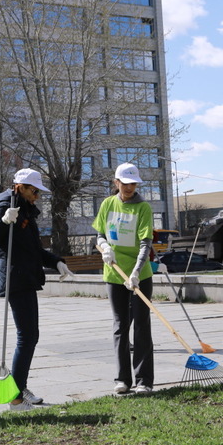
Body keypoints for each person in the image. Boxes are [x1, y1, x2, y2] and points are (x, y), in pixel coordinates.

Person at [0, 169, 72, 411]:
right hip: (15, 278)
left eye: (39, 191)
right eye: (34, 191)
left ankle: (20, 389)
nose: (37, 196)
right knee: (27, 336)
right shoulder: (5, 205)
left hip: (26, 277)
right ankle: (16, 399)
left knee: (31, 336)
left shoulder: (24, 208)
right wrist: (3, 222)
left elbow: (33, 249)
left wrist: (56, 261)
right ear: (20, 186)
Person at [94, 163, 156, 396]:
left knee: (141, 325)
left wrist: (136, 273)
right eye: (125, 183)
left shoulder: (143, 208)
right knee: (120, 326)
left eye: (133, 184)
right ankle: (122, 379)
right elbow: (99, 233)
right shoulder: (107, 204)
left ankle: (144, 380)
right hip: (114, 273)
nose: (130, 187)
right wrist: (103, 246)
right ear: (116, 183)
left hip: (139, 275)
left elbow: (145, 244)